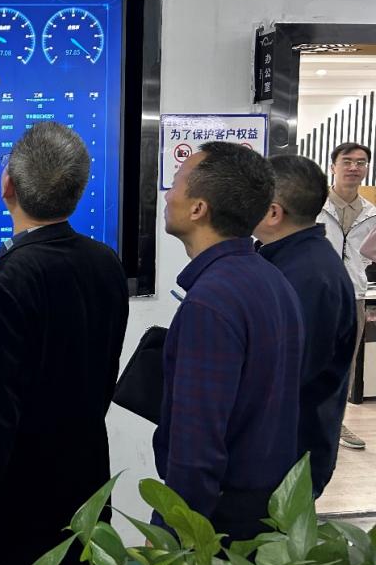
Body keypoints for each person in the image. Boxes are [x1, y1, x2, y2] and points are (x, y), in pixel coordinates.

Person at [0, 122, 129, 565]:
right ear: (79, 189)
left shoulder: (5, 284)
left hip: (18, 508)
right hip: (84, 488)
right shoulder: (106, 263)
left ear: (8, 186)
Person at [156, 142, 303, 540]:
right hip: (263, 512)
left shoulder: (210, 301)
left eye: (176, 183)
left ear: (198, 208)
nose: (167, 196)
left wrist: (177, 536)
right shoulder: (271, 279)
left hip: (217, 527)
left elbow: (197, 445)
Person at [254, 155, 357, 497]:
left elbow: (285, 376)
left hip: (285, 461)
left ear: (273, 213)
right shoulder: (285, 259)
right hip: (274, 452)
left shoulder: (308, 277)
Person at [320, 142, 376, 450]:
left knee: (345, 362)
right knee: (308, 356)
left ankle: (335, 423)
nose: (354, 167)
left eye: (361, 162)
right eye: (347, 161)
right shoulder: (314, 205)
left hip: (354, 294)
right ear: (333, 166)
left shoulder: (372, 213)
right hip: (316, 294)